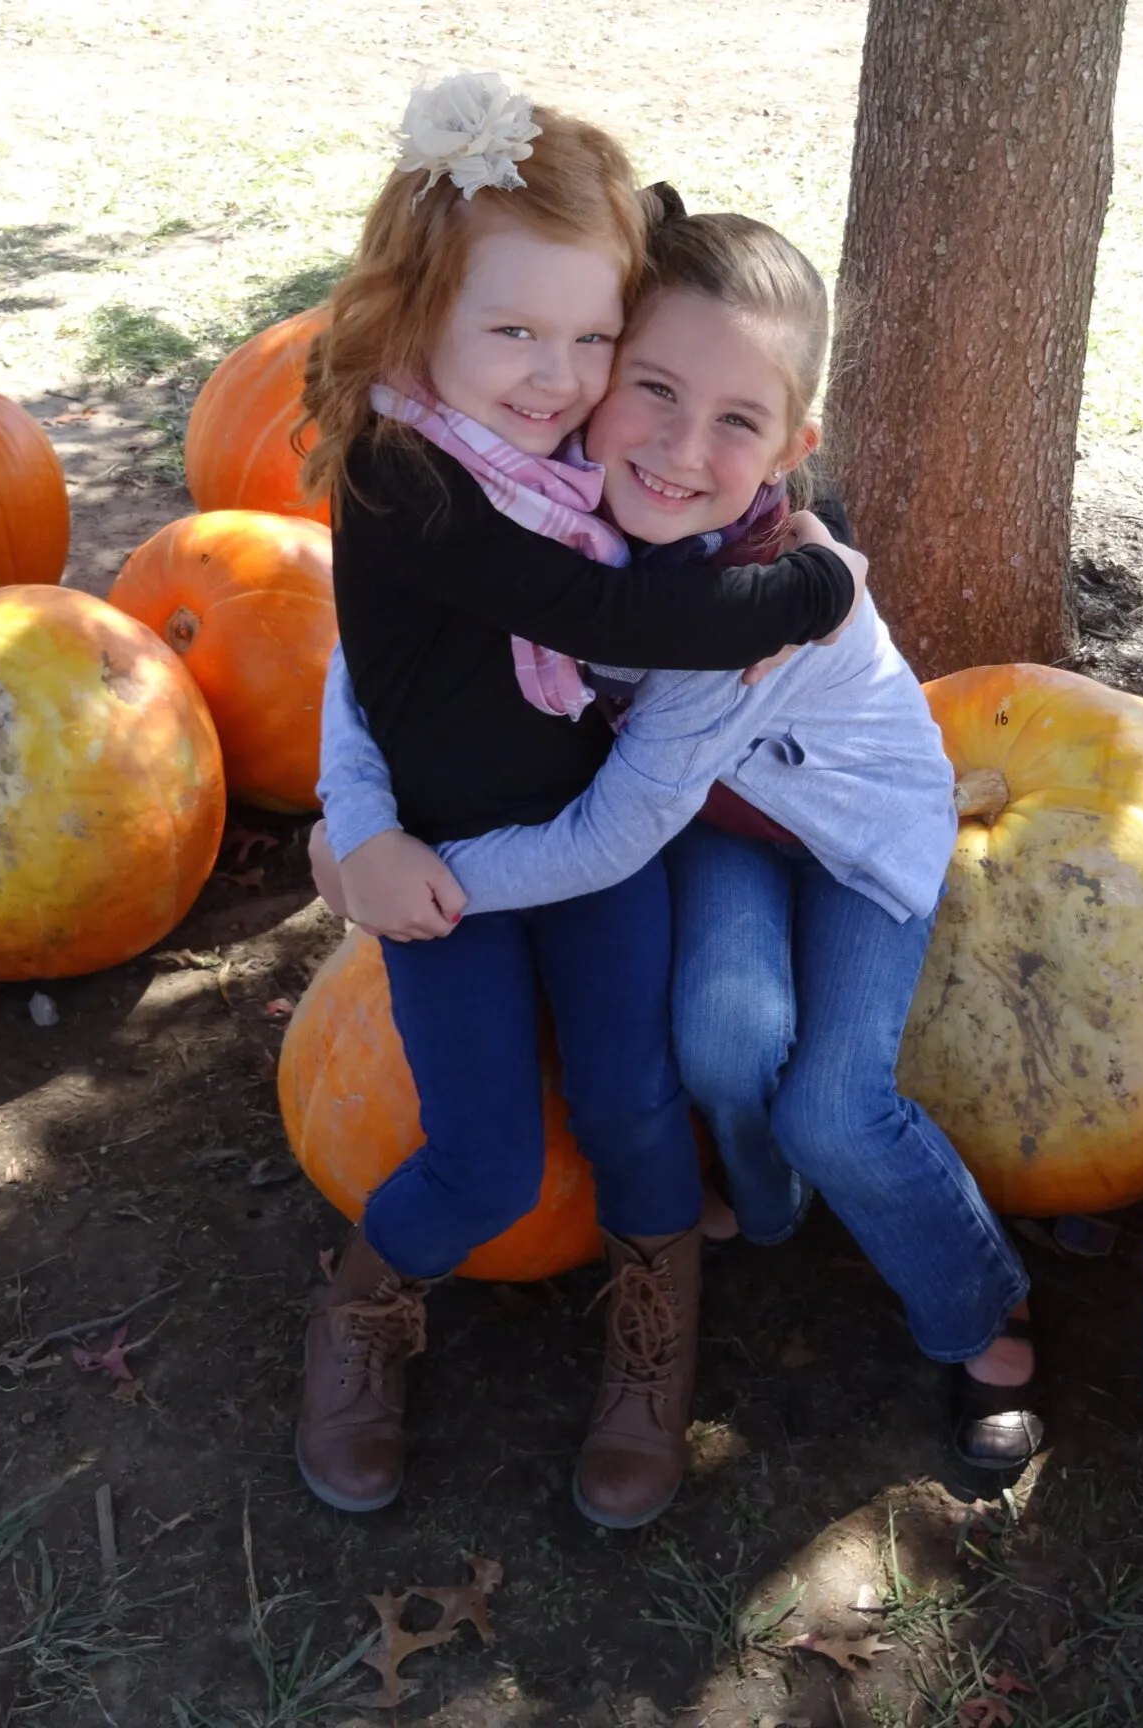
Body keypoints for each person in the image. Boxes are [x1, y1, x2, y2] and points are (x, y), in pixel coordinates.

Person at [313, 195, 1044, 1475]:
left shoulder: (738, 616)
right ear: (600, 370)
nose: (677, 448)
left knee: (830, 1103)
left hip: (848, 836)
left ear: (791, 445)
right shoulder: (539, 506)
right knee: (718, 1035)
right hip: (712, 823)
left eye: (736, 424)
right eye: (648, 385)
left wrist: (416, 885)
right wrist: (357, 827)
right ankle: (754, 1222)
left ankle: (977, 1319)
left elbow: (604, 836)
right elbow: (384, 651)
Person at [291, 73, 869, 1527]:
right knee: (482, 1160)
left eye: (592, 337)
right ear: (422, 311)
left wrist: (805, 531)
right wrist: (817, 580)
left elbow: (675, 582)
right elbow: (395, 665)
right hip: (451, 871)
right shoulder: (410, 479)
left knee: (632, 1095)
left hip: (597, 850)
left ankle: (653, 1323)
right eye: (514, 333)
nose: (557, 377)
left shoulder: (565, 462)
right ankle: (365, 1300)